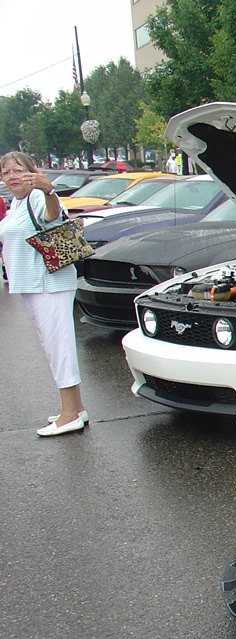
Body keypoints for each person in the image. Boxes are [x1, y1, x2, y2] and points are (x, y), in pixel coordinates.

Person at [0, 152, 88, 436]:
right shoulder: (17, 203)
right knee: (54, 346)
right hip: (34, 285)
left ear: (32, 172)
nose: (12, 176)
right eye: (6, 172)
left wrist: (48, 189)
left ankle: (69, 414)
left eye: (17, 170)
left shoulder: (38, 197)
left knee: (59, 347)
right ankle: (76, 407)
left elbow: (52, 215)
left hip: (48, 283)